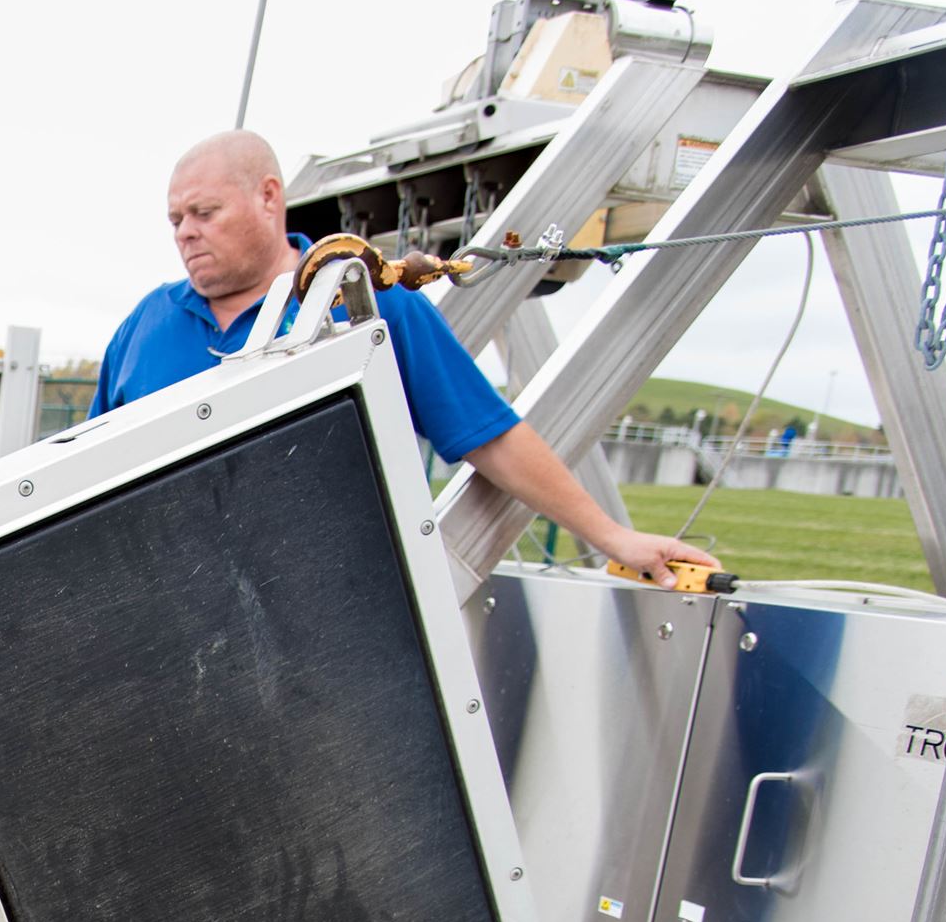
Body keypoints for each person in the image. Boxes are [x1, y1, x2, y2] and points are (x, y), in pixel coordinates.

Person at [90, 131, 709, 585]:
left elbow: (487, 434)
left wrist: (613, 535)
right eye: (175, 219)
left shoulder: (366, 302)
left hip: (322, 634)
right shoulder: (144, 327)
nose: (185, 233)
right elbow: (88, 478)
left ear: (268, 198)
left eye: (204, 213)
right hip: (165, 625)